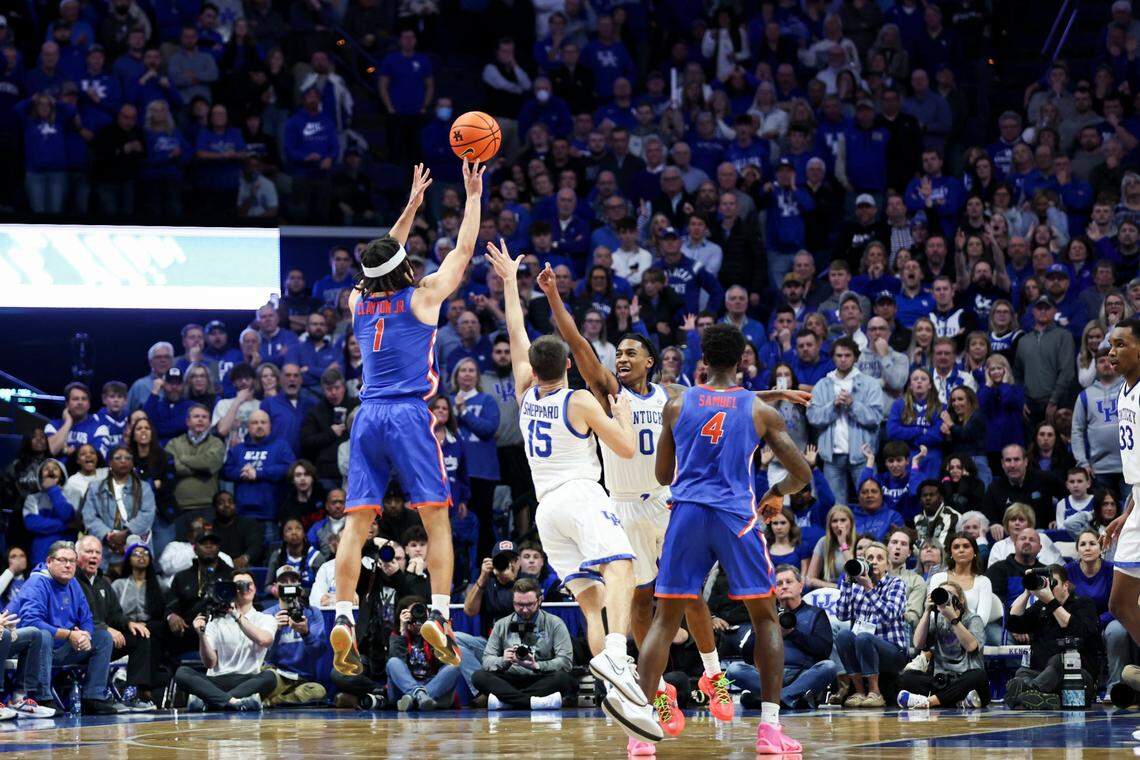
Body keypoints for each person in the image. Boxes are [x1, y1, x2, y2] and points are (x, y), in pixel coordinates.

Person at [533, 257, 746, 730]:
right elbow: (578, 345)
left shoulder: (672, 396)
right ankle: (662, 689)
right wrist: (553, 297)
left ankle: (714, 676)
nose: (622, 359)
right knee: (639, 604)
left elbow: (731, 401)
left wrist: (773, 397)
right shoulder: (608, 394)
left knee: (687, 595)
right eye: (619, 354)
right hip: (621, 509)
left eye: (632, 354)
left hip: (665, 503)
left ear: (652, 360)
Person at [484, 239, 659, 742]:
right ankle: (620, 660)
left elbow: (516, 331)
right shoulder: (579, 400)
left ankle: (619, 692)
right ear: (566, 366)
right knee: (622, 565)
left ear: (536, 369)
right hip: (581, 496)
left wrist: (509, 284)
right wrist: (621, 412)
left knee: (592, 599)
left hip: (545, 511)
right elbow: (625, 449)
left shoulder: (523, 391)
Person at [331, 162, 483, 680]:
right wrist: (472, 193)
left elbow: (379, 262)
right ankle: (440, 612)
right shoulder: (422, 298)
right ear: (405, 268)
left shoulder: (357, 303)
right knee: (436, 518)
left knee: (356, 524)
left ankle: (344, 616)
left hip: (366, 415)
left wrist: (411, 207)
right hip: (409, 414)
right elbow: (463, 251)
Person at [638, 322, 811, 754]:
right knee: (765, 618)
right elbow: (802, 474)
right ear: (741, 362)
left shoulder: (677, 404)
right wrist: (774, 494)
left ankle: (641, 735)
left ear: (702, 362)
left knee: (663, 621)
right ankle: (769, 730)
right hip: (736, 516)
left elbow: (662, 475)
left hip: (688, 513)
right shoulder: (758, 409)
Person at [7, 540, 119, 714]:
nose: (68, 565)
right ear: (49, 562)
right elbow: (31, 622)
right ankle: (42, 697)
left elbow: (87, 618)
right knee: (42, 634)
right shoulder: (37, 582)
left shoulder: (73, 583)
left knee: (103, 637)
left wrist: (85, 636)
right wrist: (68, 635)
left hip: (59, 649)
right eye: (62, 560)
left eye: (72, 561)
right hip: (28, 650)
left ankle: (93, 697)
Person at [726, 565, 837, 710]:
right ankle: (790, 698)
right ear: (774, 590)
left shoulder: (816, 613)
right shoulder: (765, 616)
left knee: (829, 667)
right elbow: (748, 657)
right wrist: (761, 632)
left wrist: (792, 633)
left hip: (802, 675)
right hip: (768, 676)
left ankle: (770, 699)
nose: (784, 587)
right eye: (779, 583)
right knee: (734, 669)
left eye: (789, 582)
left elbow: (823, 650)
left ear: (800, 586)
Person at [173, 570, 279, 711]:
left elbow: (264, 640)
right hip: (217, 680)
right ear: (231, 589)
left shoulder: (266, 618)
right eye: (240, 584)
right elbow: (209, 663)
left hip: (247, 680)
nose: (246, 587)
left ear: (255, 588)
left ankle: (211, 701)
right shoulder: (215, 622)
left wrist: (236, 614)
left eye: (249, 583)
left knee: (270, 676)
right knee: (182, 673)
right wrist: (201, 635)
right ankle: (233, 702)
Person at [1004, 564, 1102, 709]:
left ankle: (1032, 691)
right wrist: (1028, 590)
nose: (1048, 589)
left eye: (1053, 584)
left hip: (1077, 678)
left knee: (1062, 659)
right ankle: (1045, 697)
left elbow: (1077, 631)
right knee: (1022, 672)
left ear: (1066, 585)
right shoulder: (1040, 607)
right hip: (1045, 675)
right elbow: (1013, 623)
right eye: (1046, 584)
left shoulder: (1083, 604)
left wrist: (1051, 602)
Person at [74, 536, 155, 711]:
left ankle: (132, 692)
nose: (94, 556)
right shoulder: (71, 581)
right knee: (104, 636)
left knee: (141, 635)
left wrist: (129, 623)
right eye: (89, 552)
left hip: (102, 642)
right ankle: (94, 695)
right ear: (77, 555)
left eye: (97, 552)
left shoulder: (103, 582)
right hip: (79, 642)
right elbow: (76, 617)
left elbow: (115, 613)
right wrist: (106, 628)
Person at [472, 577, 575, 710]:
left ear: (540, 600)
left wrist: (537, 665)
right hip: (510, 678)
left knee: (564, 679)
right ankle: (534, 702)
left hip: (540, 678)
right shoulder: (501, 625)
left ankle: (506, 702)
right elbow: (487, 661)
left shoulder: (555, 623)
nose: (525, 610)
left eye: (530, 604)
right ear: (513, 602)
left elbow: (566, 662)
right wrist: (503, 660)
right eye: (519, 605)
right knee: (478, 676)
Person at [1105, 316, 1140, 705]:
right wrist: (1129, 510)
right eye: (1110, 346)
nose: (1111, 352)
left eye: (1120, 345)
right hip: (1138, 499)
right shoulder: (1124, 393)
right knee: (1120, 602)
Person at [806, 338, 885, 503]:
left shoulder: (870, 384)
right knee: (834, 505)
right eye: (839, 355)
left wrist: (852, 404)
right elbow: (813, 417)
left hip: (863, 454)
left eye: (847, 355)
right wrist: (833, 406)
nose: (843, 359)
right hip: (831, 455)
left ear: (855, 357)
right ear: (833, 358)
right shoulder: (822, 385)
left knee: (870, 501)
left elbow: (876, 417)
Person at [832, 541, 909, 709]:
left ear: (887, 565)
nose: (874, 561)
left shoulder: (896, 584)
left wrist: (869, 588)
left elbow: (889, 616)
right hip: (863, 647)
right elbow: (841, 614)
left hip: (893, 652)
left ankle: (875, 692)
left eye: (879, 558)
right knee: (843, 636)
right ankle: (860, 692)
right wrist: (847, 582)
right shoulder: (856, 587)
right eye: (870, 558)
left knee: (864, 637)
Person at [896, 579, 988, 709]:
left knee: (978, 676)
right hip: (942, 680)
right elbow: (918, 643)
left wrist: (953, 619)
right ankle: (959, 702)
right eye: (942, 593)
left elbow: (971, 646)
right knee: (907, 677)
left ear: (961, 600)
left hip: (965, 679)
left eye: (950, 593)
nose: (946, 597)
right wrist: (927, 611)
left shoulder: (973, 619)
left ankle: (928, 702)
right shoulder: (936, 620)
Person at [223, 410, 293, 543]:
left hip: (270, 516)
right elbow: (226, 471)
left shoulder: (281, 446)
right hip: (241, 516)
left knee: (269, 559)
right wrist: (241, 473)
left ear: (270, 425)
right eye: (255, 423)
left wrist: (258, 473)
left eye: (263, 422)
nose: (259, 426)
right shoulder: (238, 449)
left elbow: (289, 468)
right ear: (248, 427)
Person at [262, 566, 327, 707]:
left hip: (302, 679)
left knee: (319, 691)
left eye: (293, 580)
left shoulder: (313, 613)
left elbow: (319, 652)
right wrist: (276, 630)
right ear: (275, 587)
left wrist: (305, 633)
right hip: (277, 675)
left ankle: (275, 701)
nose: (289, 584)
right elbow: (264, 657)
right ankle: (280, 699)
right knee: (263, 679)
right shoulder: (267, 615)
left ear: (300, 586)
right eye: (284, 581)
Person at [81, 445, 156, 568]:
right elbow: (89, 517)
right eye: (118, 458)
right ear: (110, 462)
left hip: (136, 546)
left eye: (128, 458)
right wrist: (107, 535)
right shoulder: (95, 488)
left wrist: (126, 533)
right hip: (105, 549)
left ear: (132, 462)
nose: (123, 461)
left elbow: (148, 514)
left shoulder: (143, 487)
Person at [386, 594, 460, 711]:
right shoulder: (397, 635)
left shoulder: (434, 632)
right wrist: (403, 630)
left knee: (454, 666)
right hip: (404, 687)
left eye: (420, 611)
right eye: (412, 612)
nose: (417, 615)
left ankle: (415, 699)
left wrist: (435, 630)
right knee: (393, 662)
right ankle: (419, 696)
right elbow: (397, 665)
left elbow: (446, 661)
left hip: (432, 685)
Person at [165, 404, 226, 515]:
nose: (200, 420)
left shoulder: (217, 443)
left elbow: (210, 464)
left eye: (204, 417)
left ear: (209, 422)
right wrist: (201, 468)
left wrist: (183, 458)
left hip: (208, 505)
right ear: (188, 421)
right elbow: (172, 468)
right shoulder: (174, 443)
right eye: (196, 416)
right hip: (179, 505)